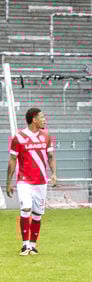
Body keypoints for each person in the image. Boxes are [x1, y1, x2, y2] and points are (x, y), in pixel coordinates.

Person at [6, 107, 56, 256]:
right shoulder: (19, 137)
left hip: (41, 181)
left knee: (37, 214)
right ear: (34, 119)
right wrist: (8, 182)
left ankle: (33, 246)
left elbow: (51, 157)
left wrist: (54, 174)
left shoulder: (46, 136)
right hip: (24, 181)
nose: (44, 119)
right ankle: (24, 245)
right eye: (42, 117)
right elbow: (13, 160)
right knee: (26, 208)